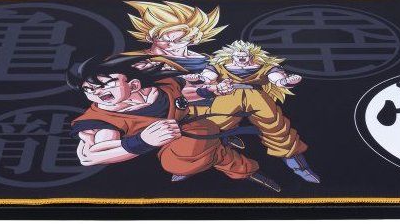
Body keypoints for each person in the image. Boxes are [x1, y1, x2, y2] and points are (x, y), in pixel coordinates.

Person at [67, 56, 281, 191]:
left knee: (208, 128)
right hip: (171, 154)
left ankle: (221, 147)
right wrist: (141, 141)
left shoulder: (162, 87)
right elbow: (89, 156)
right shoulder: (102, 120)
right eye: (89, 90)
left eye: (106, 85)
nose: (97, 93)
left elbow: (183, 93)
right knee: (180, 163)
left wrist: (211, 90)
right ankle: (236, 163)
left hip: (196, 127)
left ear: (134, 85)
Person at [192, 40, 319, 183]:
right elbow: (207, 77)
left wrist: (285, 82)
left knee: (275, 127)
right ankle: (193, 162)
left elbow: (276, 79)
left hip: (257, 97)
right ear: (231, 56)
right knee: (213, 126)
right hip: (228, 96)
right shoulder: (219, 66)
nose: (241, 58)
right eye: (238, 55)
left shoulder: (265, 67)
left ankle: (298, 165)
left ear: (251, 56)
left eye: (244, 55)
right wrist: (200, 78)